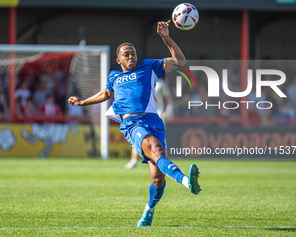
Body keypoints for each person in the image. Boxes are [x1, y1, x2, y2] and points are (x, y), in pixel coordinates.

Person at [68, 20, 201, 227]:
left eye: (133, 53)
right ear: (118, 58)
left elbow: (180, 61)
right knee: (156, 150)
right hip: (132, 123)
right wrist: (83, 101)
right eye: (126, 54)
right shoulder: (114, 76)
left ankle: (148, 212)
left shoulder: (150, 66)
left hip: (154, 121)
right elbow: (105, 94)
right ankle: (186, 181)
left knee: (158, 179)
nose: (131, 56)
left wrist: (166, 38)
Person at [124, 77, 174, 169]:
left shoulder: (160, 83)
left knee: (161, 138)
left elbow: (169, 97)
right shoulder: (142, 81)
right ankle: (134, 160)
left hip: (158, 114)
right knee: (139, 135)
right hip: (144, 114)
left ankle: (165, 161)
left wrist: (169, 109)